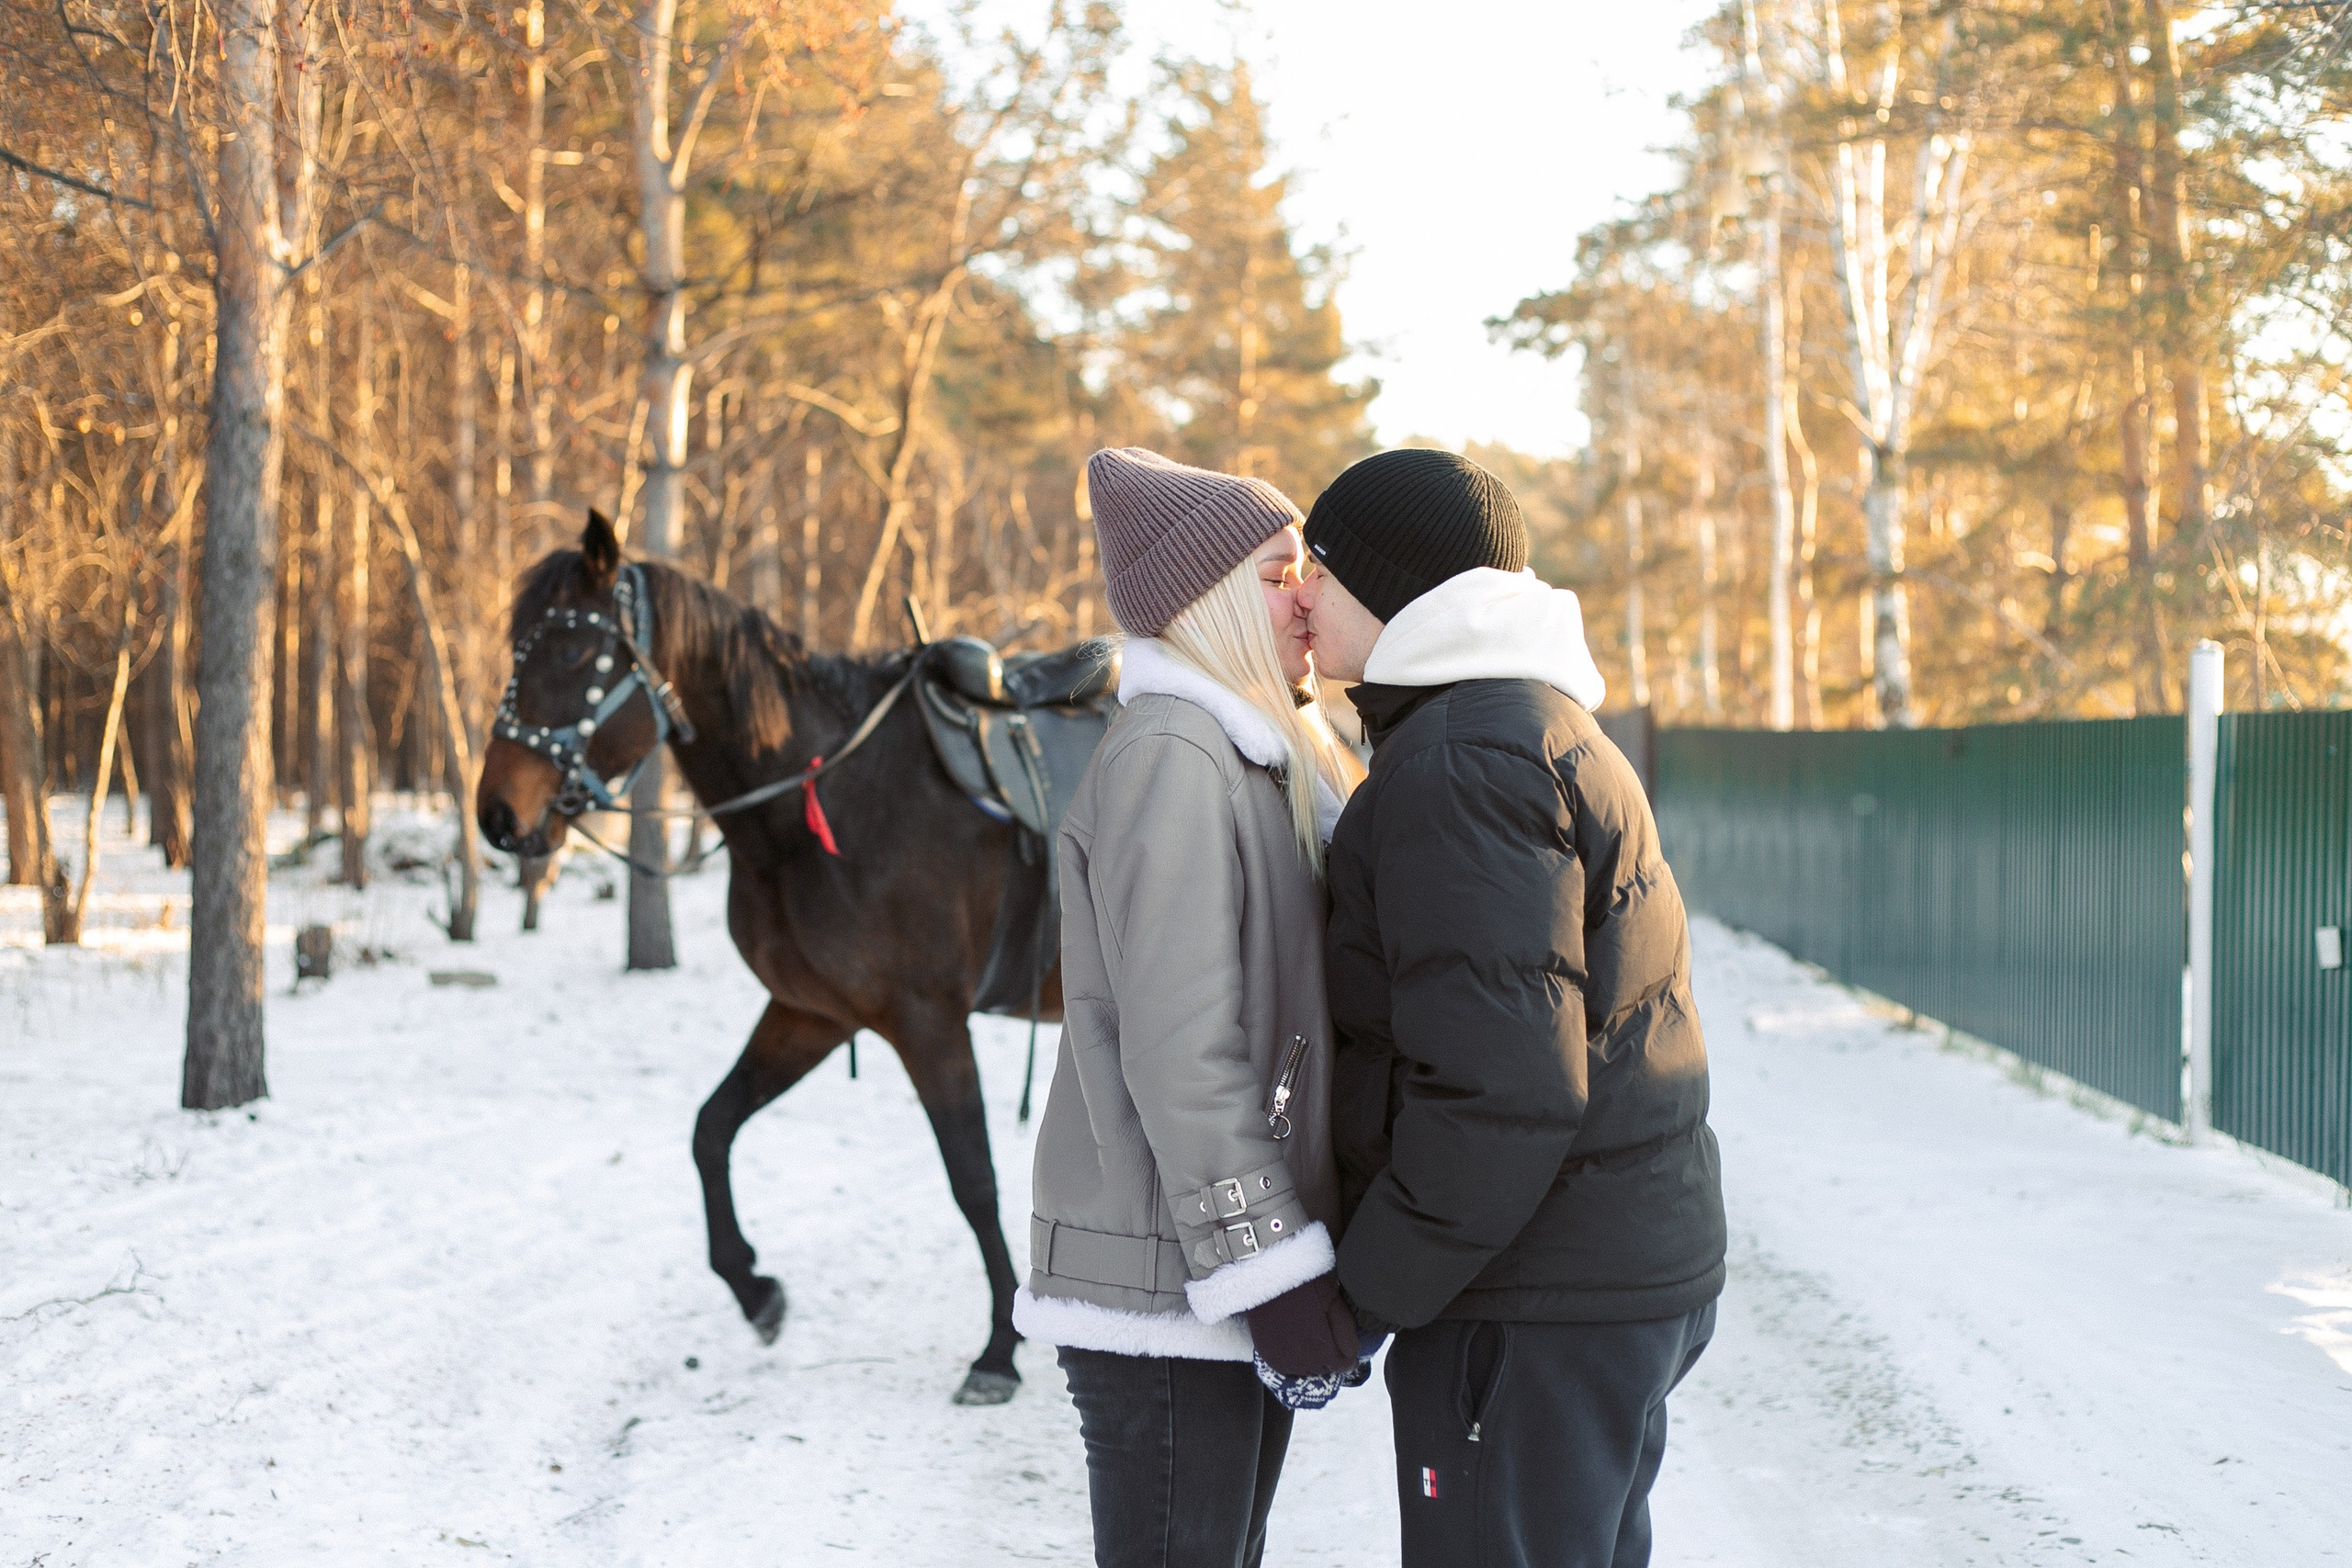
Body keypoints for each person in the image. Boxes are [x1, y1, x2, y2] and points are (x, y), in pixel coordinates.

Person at [1294, 447, 1727, 1568]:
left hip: (1534, 1296)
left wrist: (1362, 1294)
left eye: (1319, 568)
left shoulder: (1463, 762)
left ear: (1396, 594)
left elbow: (1505, 1084)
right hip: (1588, 1280)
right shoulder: (1518, 724)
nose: (1298, 593)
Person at [1014, 447, 1367, 1568]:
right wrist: (1268, 1264)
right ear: (1207, 601)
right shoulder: (1176, 755)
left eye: (1302, 568)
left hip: (1204, 1275)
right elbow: (1184, 1050)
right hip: (1171, 1284)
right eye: (1274, 573)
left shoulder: (1252, 757)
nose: (1302, 594)